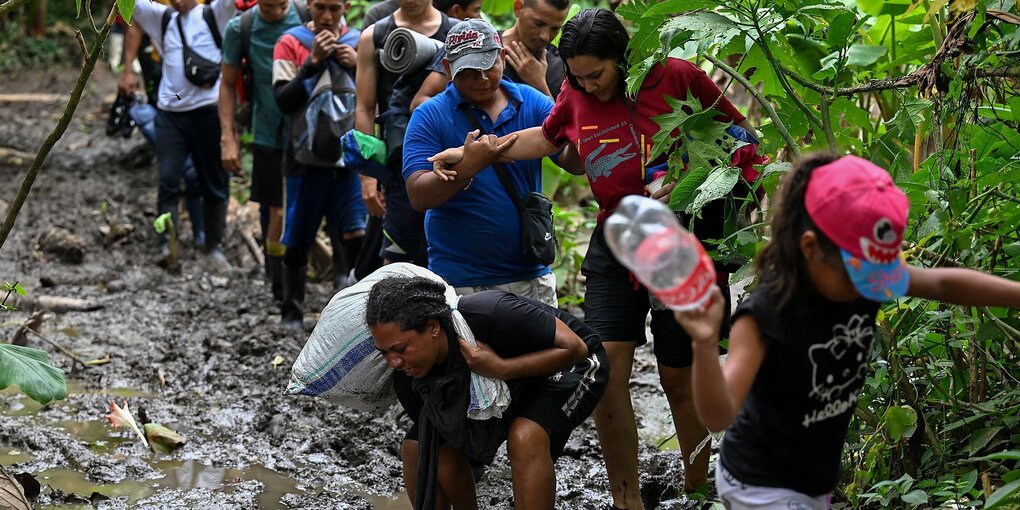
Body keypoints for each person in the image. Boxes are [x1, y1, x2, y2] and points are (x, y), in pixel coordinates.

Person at [428, 9, 756, 507]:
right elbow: (551, 136)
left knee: (677, 374)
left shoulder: (676, 77)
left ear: (622, 58)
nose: (587, 87)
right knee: (605, 371)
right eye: (577, 78)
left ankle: (698, 489)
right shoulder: (577, 91)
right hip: (615, 239)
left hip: (683, 238)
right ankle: (627, 498)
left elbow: (743, 142)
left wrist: (697, 181)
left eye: (596, 75)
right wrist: (478, 153)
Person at [671, 153, 1020, 508]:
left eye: (877, 274)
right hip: (761, 482)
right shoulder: (765, 315)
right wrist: (703, 342)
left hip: (812, 478)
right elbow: (719, 414)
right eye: (860, 274)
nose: (869, 287)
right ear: (810, 248)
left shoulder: (866, 278)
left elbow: (944, 285)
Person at [366, 275, 609, 509]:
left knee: (525, 436)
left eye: (400, 349)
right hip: (512, 383)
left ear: (432, 327)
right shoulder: (408, 378)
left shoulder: (488, 311)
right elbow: (445, 446)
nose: (394, 362)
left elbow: (577, 348)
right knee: (418, 447)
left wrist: (501, 368)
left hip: (571, 365)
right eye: (384, 352)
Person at [403, 19, 558, 306]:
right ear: (448, 70)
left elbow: (572, 159)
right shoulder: (429, 116)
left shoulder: (533, 102)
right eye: (469, 72)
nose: (482, 79)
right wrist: (468, 167)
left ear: (502, 57)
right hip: (459, 279)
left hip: (529, 275)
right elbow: (418, 194)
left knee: (542, 350)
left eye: (488, 66)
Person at [119, 0, 238, 266]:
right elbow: (130, 5)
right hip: (170, 115)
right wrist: (126, 69)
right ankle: (166, 245)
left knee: (214, 181)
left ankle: (213, 246)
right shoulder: (162, 18)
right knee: (169, 180)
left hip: (209, 111)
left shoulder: (214, 14)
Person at [272, 0, 367, 329]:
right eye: (320, 8)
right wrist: (312, 64)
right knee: (298, 233)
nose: (327, 16)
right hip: (304, 159)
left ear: (346, 7)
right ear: (309, 5)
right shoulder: (291, 42)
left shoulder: (360, 41)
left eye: (335, 8)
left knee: (355, 232)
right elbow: (283, 100)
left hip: (350, 158)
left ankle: (353, 314)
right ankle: (291, 311)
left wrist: (357, 65)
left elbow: (378, 96)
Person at [355, 0, 458, 267]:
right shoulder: (374, 35)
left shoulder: (456, 32)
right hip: (397, 161)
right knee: (396, 252)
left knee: (443, 251)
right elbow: (365, 107)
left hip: (450, 160)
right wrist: (368, 177)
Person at [219, 0, 309, 303]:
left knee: (311, 206)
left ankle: (303, 278)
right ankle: (278, 286)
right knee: (275, 211)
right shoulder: (241, 28)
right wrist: (227, 136)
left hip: (309, 132)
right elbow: (227, 83)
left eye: (279, 5)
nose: (274, 10)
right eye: (267, 6)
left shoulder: (308, 14)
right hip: (268, 131)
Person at [411, 0, 569, 112]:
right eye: (538, 23)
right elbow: (419, 103)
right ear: (518, 8)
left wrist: (539, 85)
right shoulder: (474, 41)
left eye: (555, 29)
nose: (544, 35)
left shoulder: (561, 65)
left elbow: (567, 132)